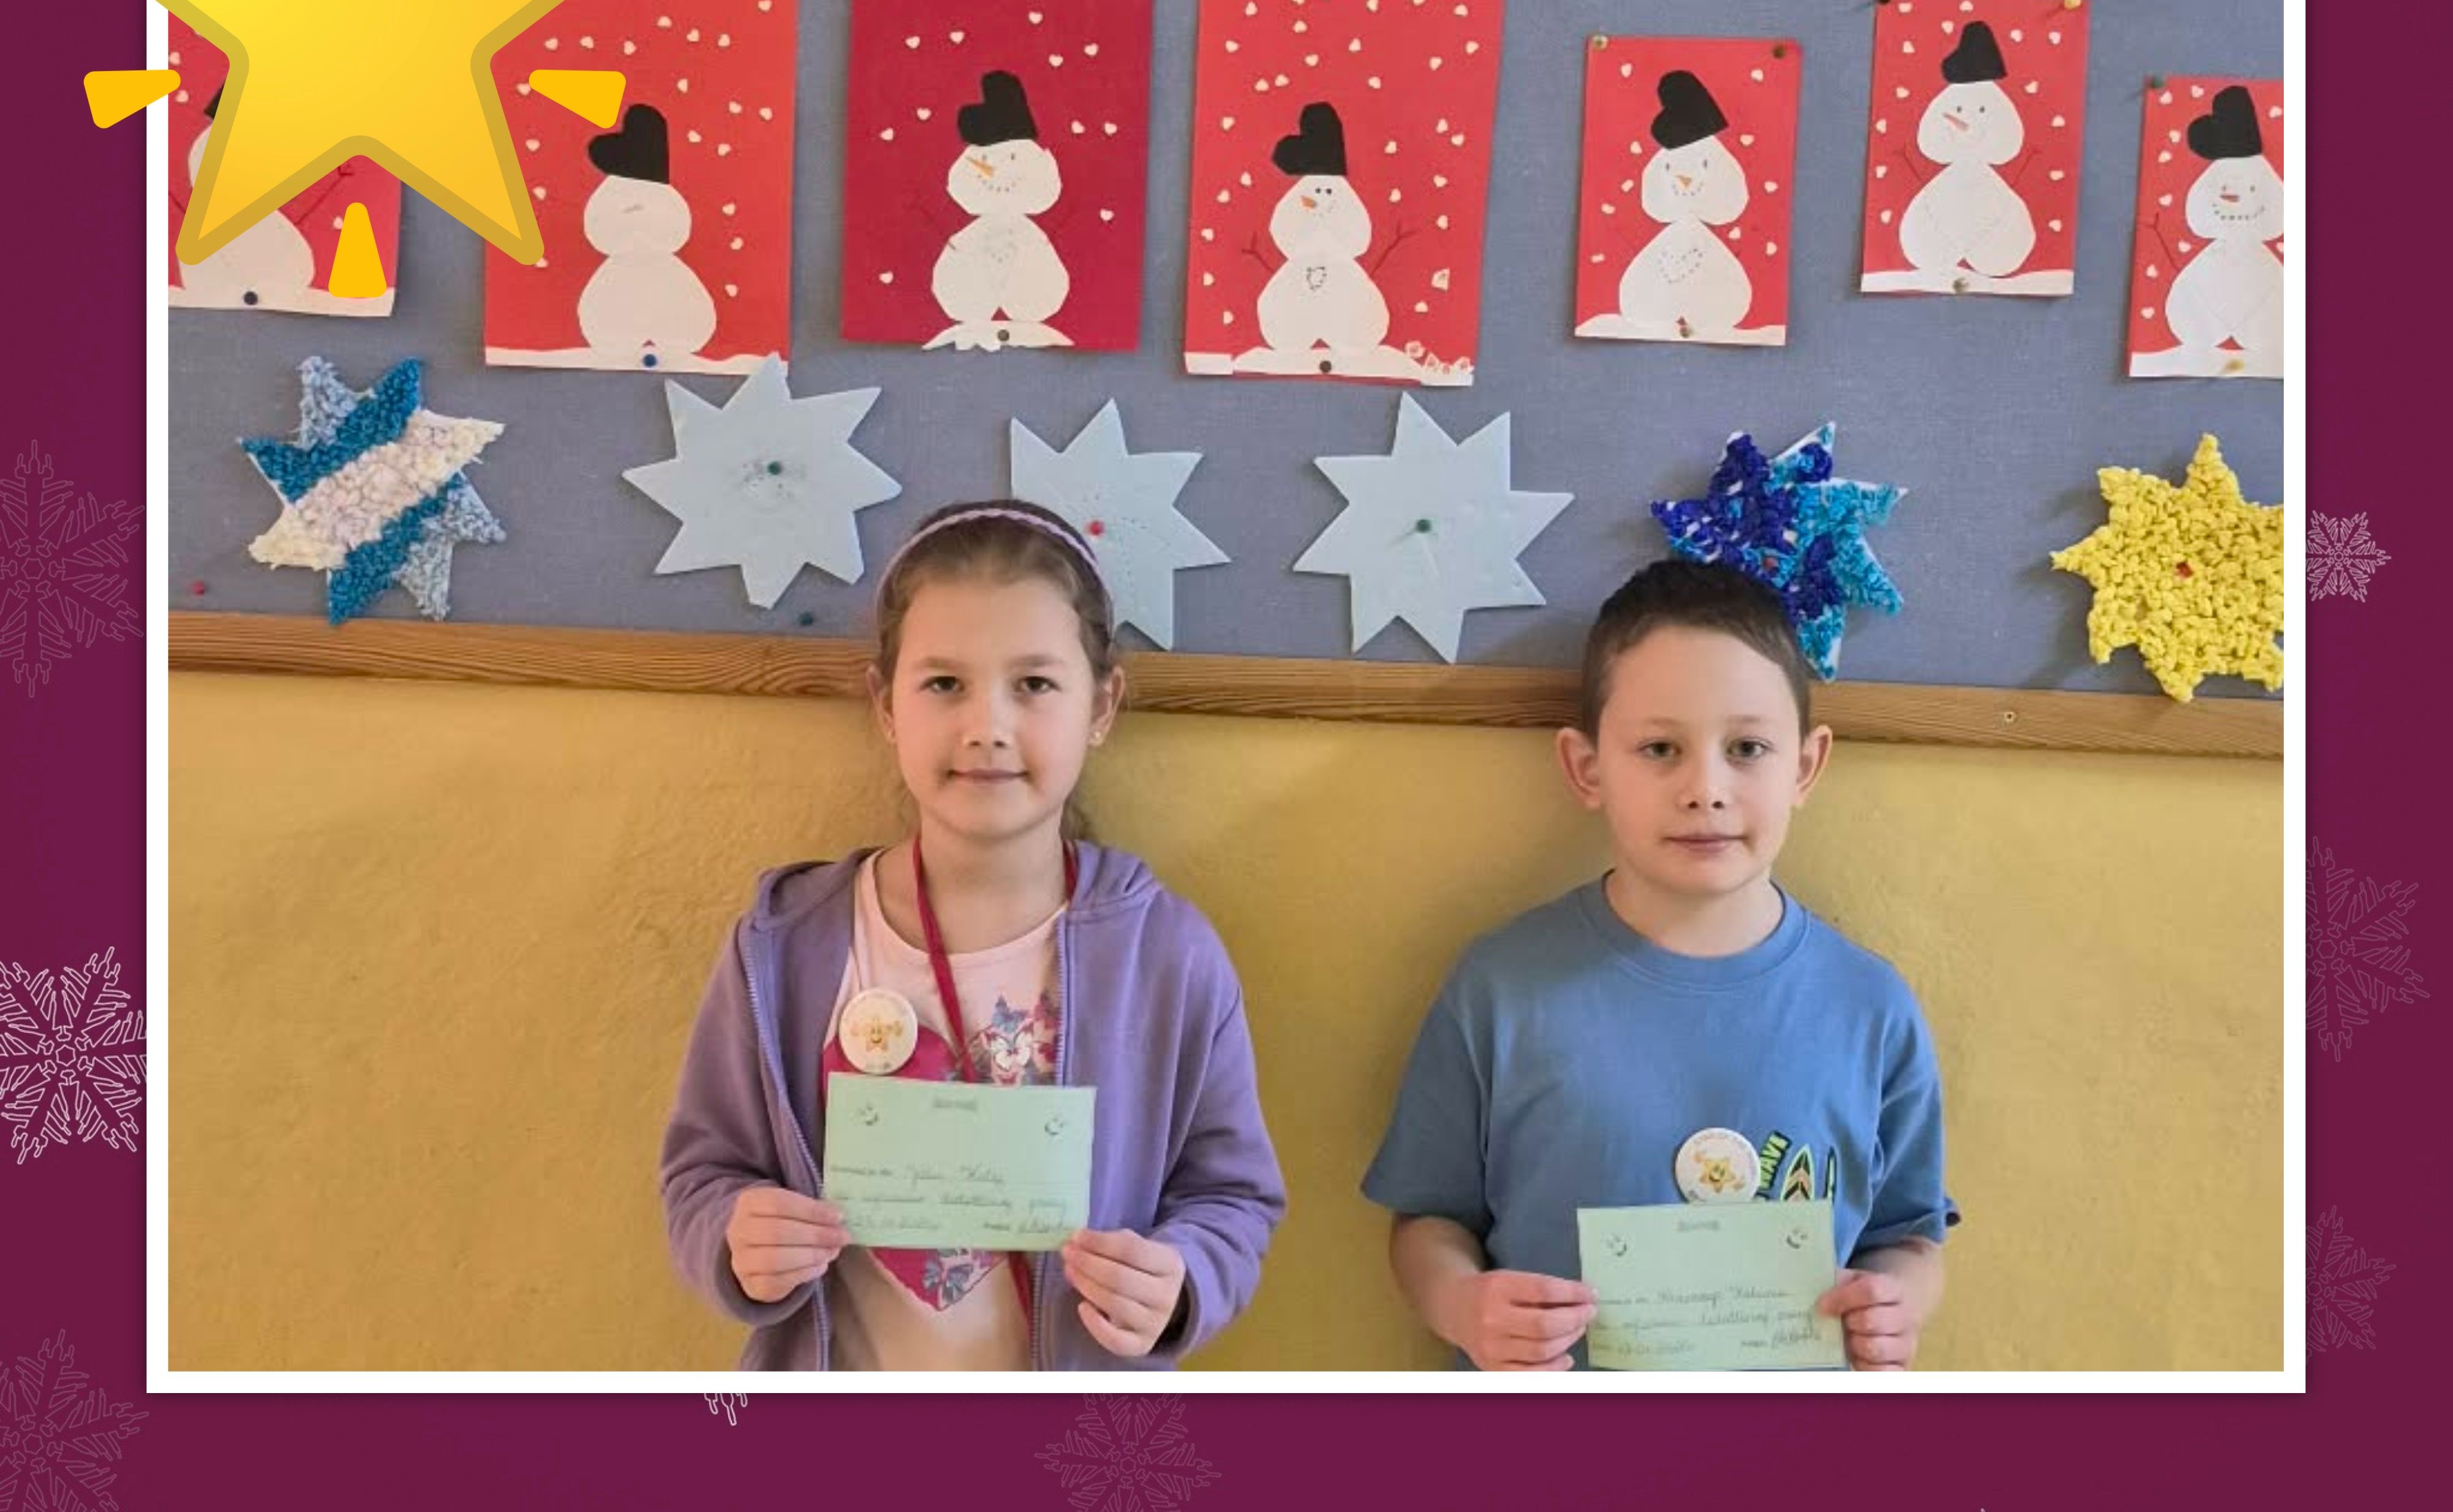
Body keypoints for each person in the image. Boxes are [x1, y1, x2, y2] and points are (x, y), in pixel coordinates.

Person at [661, 500, 1285, 1369]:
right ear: (886, 705)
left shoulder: (1167, 958)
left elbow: (1234, 1198)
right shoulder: (786, 948)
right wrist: (734, 1239)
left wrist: (1184, 1279)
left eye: (1034, 684)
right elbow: (703, 1172)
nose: (987, 727)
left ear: (1102, 705)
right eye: (944, 684)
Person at [1364, 559, 1956, 1370]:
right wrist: (1462, 1306)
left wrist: (1898, 1303)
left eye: (1747, 748)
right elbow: (1428, 1222)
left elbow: (1910, 1236)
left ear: (1805, 767)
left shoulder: (1870, 1009)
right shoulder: (1502, 989)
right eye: (1659, 748)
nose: (1705, 789)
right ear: (1587, 769)